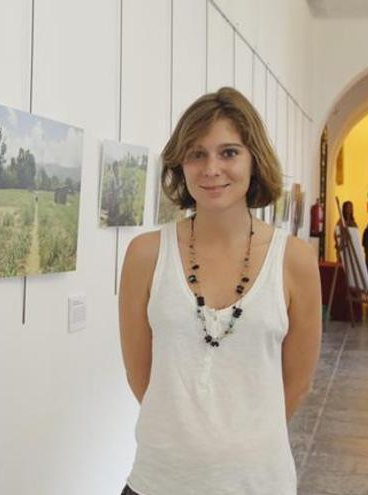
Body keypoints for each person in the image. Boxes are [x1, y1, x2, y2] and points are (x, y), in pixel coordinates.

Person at [118, 87, 321, 495]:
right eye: (196, 154)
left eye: (229, 152)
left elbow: (296, 383)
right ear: (181, 165)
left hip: (257, 482)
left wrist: (237, 447)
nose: (212, 168)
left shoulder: (293, 260)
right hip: (160, 480)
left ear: (254, 161)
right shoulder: (146, 255)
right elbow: (142, 376)